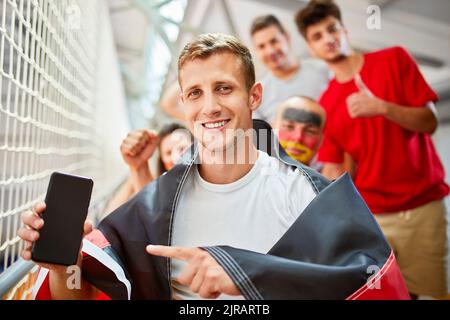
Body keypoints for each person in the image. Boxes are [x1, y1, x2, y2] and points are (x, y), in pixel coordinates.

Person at [20, 33, 409, 300]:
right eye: (195, 93)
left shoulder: (309, 194)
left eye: (224, 88)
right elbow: (82, 293)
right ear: (185, 107)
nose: (210, 107)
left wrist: (245, 274)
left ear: (254, 96)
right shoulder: (151, 208)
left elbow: (374, 284)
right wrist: (64, 265)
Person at [295, 0, 449, 298]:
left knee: (433, 295)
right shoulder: (326, 105)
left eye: (332, 29)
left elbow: (430, 121)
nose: (328, 39)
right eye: (317, 36)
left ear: (345, 30)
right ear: (310, 48)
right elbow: (340, 174)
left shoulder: (394, 59)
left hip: (422, 209)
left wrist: (381, 107)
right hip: (372, 220)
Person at [250, 14, 329, 124]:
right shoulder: (257, 94)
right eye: (262, 46)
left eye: (274, 41)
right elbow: (260, 138)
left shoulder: (324, 70)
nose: (270, 51)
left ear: (287, 37)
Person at [105, 123, 193, 213]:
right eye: (168, 153)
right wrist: (137, 167)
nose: (176, 157)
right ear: (164, 163)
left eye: (181, 148)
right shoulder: (160, 194)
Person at [273, 96, 326, 171]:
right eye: (289, 126)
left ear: (321, 141)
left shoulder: (324, 182)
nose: (298, 137)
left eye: (310, 131)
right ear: (272, 128)